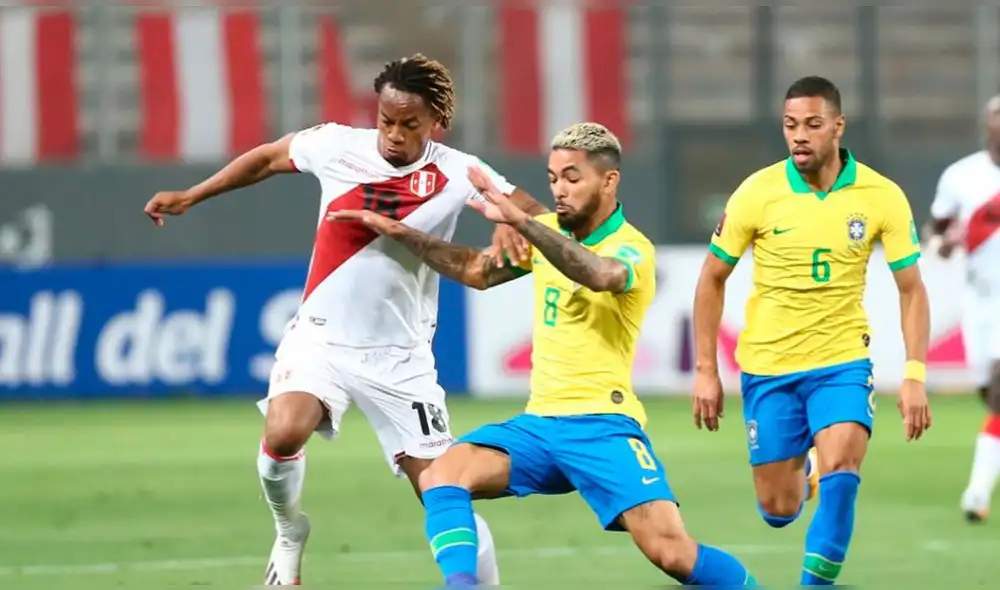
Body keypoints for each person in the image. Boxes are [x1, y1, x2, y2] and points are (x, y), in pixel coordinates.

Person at [142, 54, 546, 586]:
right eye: (386, 120)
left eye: (410, 124)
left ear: (434, 122)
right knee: (284, 431)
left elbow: (534, 213)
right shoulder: (337, 145)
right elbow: (266, 159)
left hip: (399, 358)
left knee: (445, 490)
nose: (395, 134)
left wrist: (509, 225)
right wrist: (192, 195)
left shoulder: (456, 171)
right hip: (321, 338)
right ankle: (289, 532)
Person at [330, 122, 758, 586]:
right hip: (539, 427)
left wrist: (524, 224)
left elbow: (599, 274)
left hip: (601, 427)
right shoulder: (545, 233)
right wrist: (401, 232)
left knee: (672, 553)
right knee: (442, 476)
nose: (559, 189)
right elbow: (477, 269)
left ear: (608, 181)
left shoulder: (633, 248)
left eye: (573, 178)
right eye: (553, 178)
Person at [692, 76, 933, 586]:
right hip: (768, 367)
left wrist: (914, 374)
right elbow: (712, 279)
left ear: (838, 126)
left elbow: (911, 289)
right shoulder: (758, 192)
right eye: (790, 126)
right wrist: (705, 371)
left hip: (841, 361)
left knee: (844, 467)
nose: (799, 136)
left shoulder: (881, 196)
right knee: (777, 510)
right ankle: (804, 471)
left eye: (812, 125)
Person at [924, 94, 1000, 524]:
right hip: (983, 302)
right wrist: (944, 245)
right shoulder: (962, 177)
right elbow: (933, 236)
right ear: (986, 126)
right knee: (989, 393)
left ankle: (976, 492)